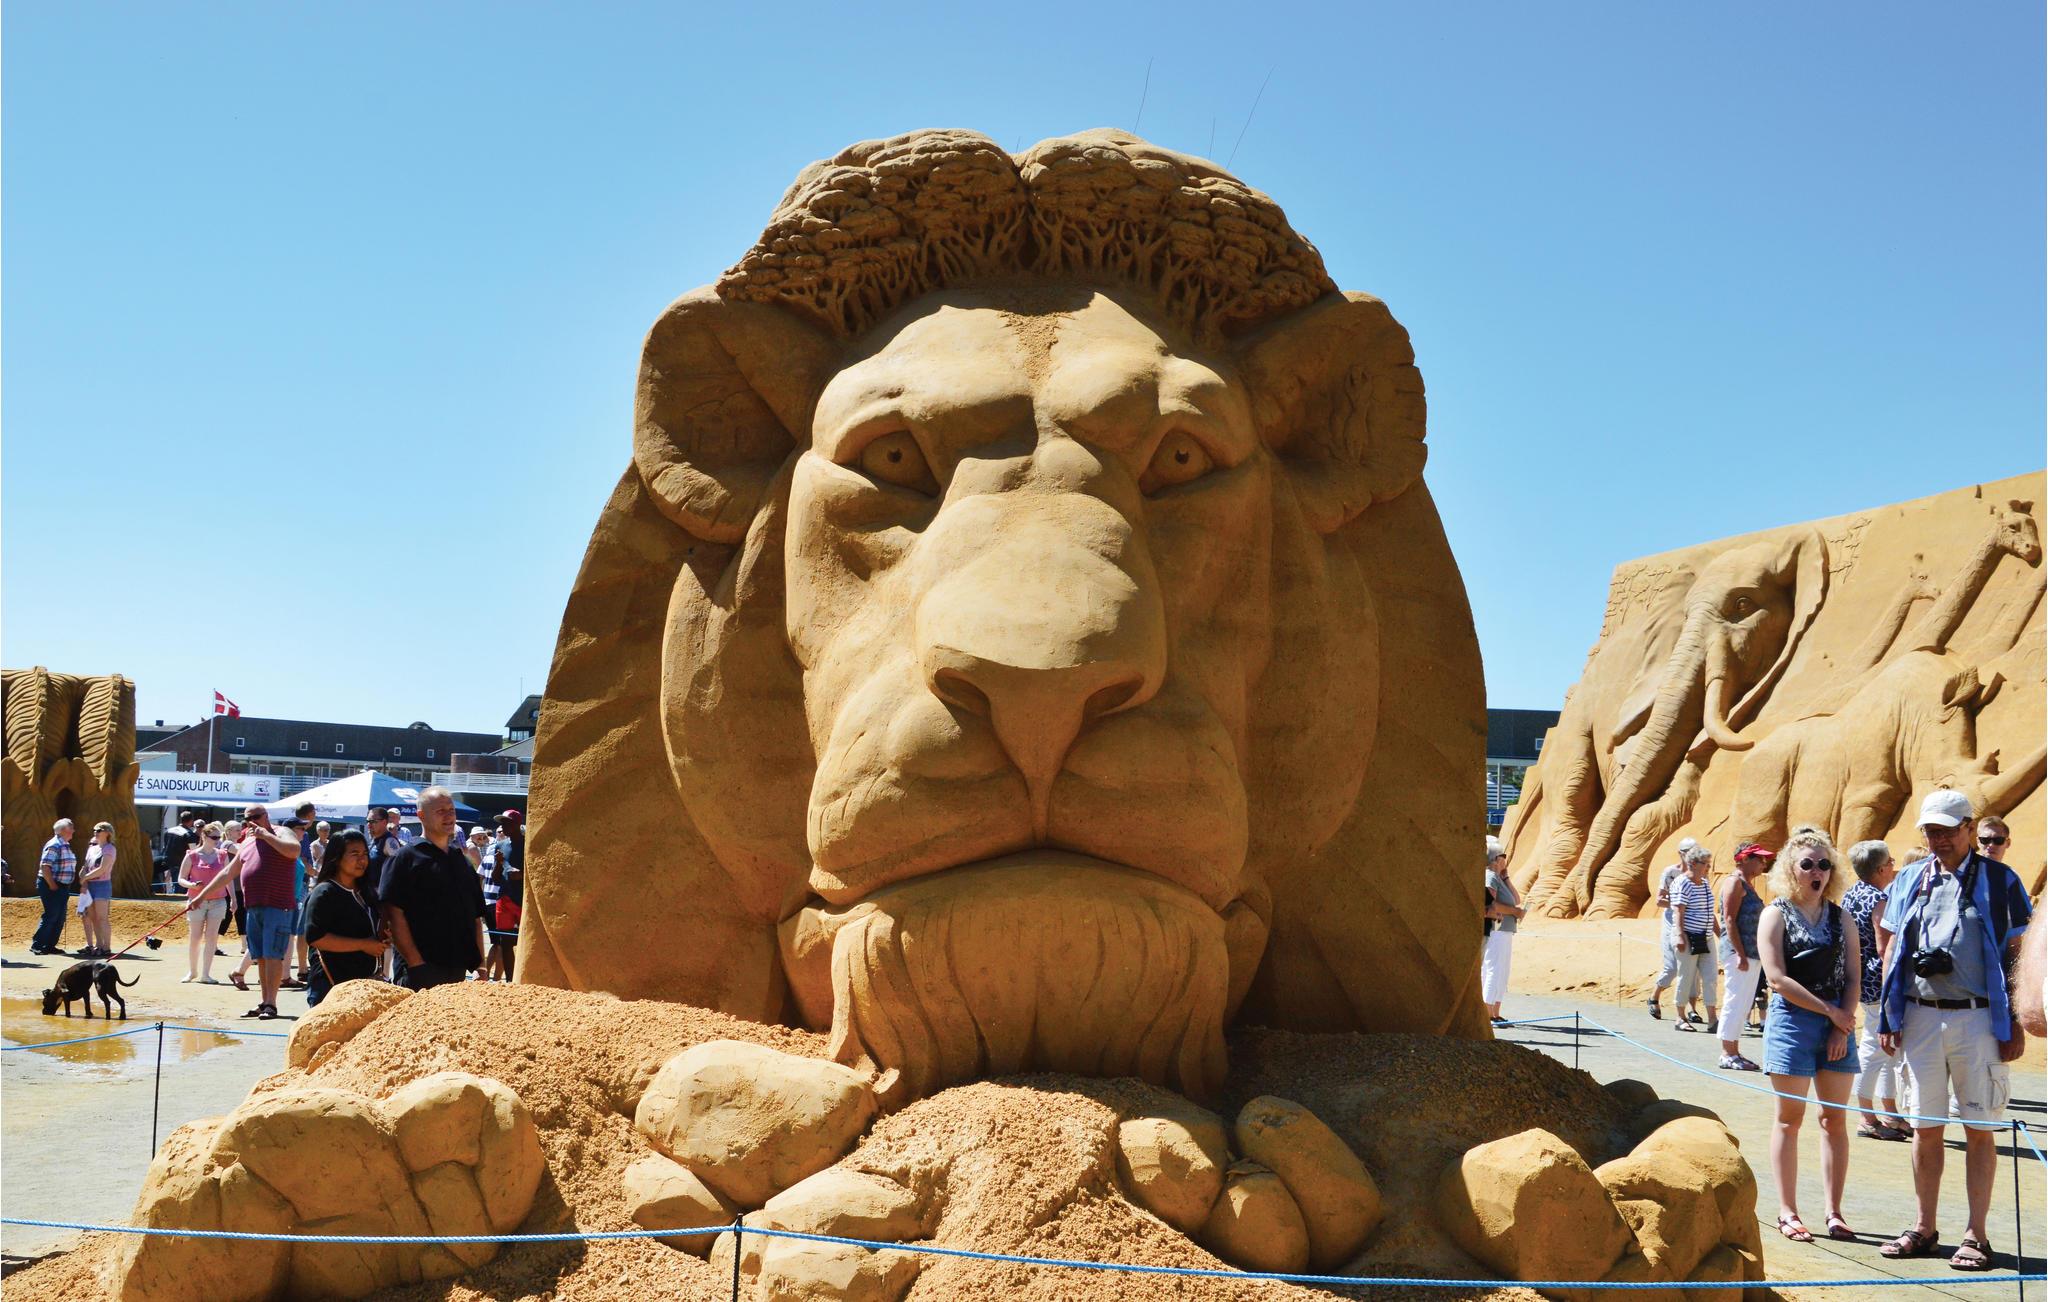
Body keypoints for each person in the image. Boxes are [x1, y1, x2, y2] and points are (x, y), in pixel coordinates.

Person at [1876, 789, 2033, 1271]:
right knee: (1924, 1127)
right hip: (1919, 1015)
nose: (1939, 839)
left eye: (1947, 830)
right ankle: (1924, 1227)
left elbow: (2018, 952)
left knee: (1980, 1128)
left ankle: (1976, 1235)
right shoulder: (1909, 879)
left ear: (1969, 828)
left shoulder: (2002, 880)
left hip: (1979, 1018)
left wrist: (2015, 1021)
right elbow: (1891, 946)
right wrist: (1888, 1014)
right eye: (1931, 831)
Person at [1757, 826, 1859, 1244]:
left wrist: (1840, 1023)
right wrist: (1831, 1012)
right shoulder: (1775, 914)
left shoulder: (1841, 916)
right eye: (1807, 864)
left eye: (1824, 864)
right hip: (1792, 1021)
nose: (1817, 871)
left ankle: (1834, 1212)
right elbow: (1776, 979)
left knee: (1834, 1119)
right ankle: (1788, 1211)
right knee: (1789, 1118)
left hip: (1836, 1021)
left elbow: (1853, 976)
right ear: (1790, 868)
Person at [380, 787, 487, 991]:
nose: (449, 816)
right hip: (419, 971)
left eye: (451, 810)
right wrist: (416, 963)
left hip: (458, 970)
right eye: (440, 811)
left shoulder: (461, 861)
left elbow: (475, 917)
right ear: (421, 815)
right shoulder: (405, 858)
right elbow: (393, 914)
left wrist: (480, 965)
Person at [1842, 839, 1907, 1140]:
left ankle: (1890, 1114)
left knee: (1886, 1048)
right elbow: (1884, 949)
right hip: (1877, 980)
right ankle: (1866, 1116)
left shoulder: (1852, 893)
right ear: (1881, 869)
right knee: (1875, 1046)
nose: (1893, 866)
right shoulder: (1879, 899)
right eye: (1890, 862)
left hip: (1859, 976)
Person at [233, 803, 301, 1020]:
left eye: (256, 817)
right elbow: (228, 871)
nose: (251, 822)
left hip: (278, 905)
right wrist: (200, 896)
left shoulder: (281, 832)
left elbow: (294, 850)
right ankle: (265, 1002)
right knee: (261, 956)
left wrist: (265, 835)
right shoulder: (247, 841)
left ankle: (271, 1004)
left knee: (273, 956)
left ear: (266, 816)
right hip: (254, 906)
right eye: (247, 819)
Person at [304, 829, 386, 1005]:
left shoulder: (367, 893)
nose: (362, 860)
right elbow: (315, 937)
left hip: (364, 987)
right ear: (337, 857)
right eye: (354, 854)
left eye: (365, 854)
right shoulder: (324, 893)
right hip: (331, 987)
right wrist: (363, 945)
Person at [1716, 841, 1772, 1070]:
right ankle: (1727, 1053)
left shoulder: (1746, 884)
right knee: (1735, 1001)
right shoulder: (1734, 882)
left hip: (1750, 953)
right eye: (1759, 859)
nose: (1763, 863)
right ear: (1745, 859)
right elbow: (1729, 919)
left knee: (1743, 1002)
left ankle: (1734, 1051)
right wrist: (1739, 953)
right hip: (1740, 953)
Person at [1669, 844, 1720, 1033]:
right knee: (1686, 977)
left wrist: (1720, 934)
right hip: (1688, 937)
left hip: (1705, 938)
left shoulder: (1705, 883)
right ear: (1693, 863)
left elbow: (1709, 912)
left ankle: (1713, 1019)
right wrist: (1680, 936)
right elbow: (1678, 912)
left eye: (1709, 863)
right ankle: (1680, 1017)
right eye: (1705, 863)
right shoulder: (1682, 883)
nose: (1708, 867)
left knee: (1711, 977)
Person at [1647, 838, 1700, 1020]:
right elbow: (1659, 900)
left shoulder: (1700, 872)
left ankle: (1692, 1009)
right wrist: (1679, 903)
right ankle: (1654, 996)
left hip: (1693, 922)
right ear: (1680, 853)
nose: (1692, 855)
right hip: (1672, 922)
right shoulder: (1670, 872)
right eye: (1688, 852)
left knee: (1694, 966)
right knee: (1672, 966)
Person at [176, 822, 235, 983]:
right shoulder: (192, 855)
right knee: (195, 938)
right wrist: (191, 885)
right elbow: (181, 878)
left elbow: (228, 878)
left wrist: (234, 899)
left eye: (219, 837)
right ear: (204, 836)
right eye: (214, 837)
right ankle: (192, 972)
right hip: (196, 901)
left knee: (212, 938)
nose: (217, 840)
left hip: (218, 901)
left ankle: (205, 974)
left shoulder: (222, 855)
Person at [1481, 835, 1522, 1025]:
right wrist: (1514, 912)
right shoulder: (1490, 876)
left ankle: (1495, 1012)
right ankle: (1487, 1012)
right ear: (1496, 858)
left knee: (1501, 972)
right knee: (1493, 970)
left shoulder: (1498, 877)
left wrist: (1505, 876)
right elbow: (1491, 904)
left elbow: (1516, 899)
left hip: (1504, 929)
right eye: (1503, 856)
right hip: (1497, 929)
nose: (1506, 859)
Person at [32, 818, 79, 955]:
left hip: (62, 886)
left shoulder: (65, 845)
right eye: (71, 828)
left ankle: (50, 945)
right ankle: (38, 945)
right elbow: (45, 866)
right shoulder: (54, 844)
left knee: (59, 917)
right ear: (64, 830)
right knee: (51, 915)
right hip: (51, 884)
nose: (73, 830)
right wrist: (52, 885)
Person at [489, 813, 523, 982]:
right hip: (504, 899)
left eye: (507, 823)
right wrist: (499, 863)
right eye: (502, 824)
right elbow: (495, 878)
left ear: (517, 824)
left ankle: (525, 977)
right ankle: (510, 980)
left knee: (527, 939)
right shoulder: (500, 845)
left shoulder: (528, 844)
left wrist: (521, 875)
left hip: (523, 900)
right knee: (505, 942)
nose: (503, 827)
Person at [78, 822, 119, 957]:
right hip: (90, 885)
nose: (96, 832)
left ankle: (106, 947)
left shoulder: (110, 848)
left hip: (102, 885)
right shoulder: (92, 849)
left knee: (102, 918)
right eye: (94, 830)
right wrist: (83, 878)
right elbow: (85, 866)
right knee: (93, 917)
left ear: (107, 832)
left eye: (99, 830)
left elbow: (102, 869)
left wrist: (85, 877)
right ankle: (98, 945)